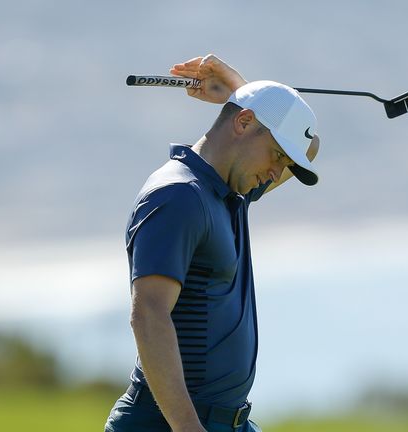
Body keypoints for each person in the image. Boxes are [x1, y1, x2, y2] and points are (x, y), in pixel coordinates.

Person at [105, 54, 321, 432]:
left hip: (229, 423)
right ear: (242, 123)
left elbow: (312, 146)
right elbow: (149, 314)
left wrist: (244, 93)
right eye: (276, 155)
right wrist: (188, 428)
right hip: (168, 424)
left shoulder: (232, 194)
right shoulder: (177, 197)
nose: (276, 172)